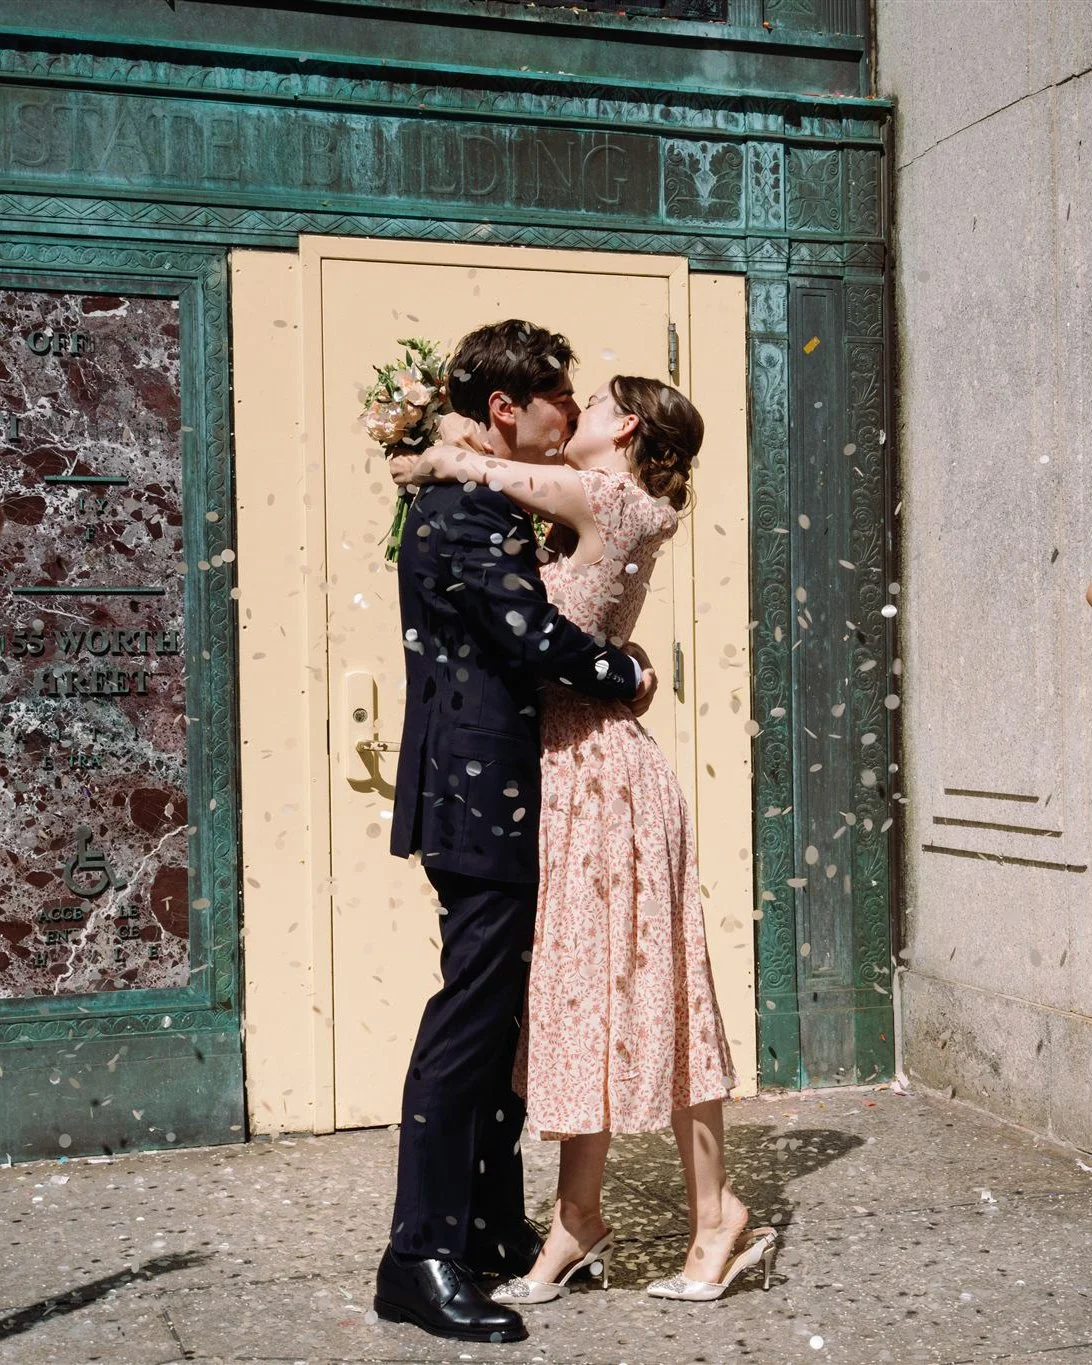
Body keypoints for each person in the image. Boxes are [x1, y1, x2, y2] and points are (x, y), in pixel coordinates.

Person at [399, 375, 778, 1307]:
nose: (573, 416)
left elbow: (480, 472)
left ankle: (714, 1210)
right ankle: (578, 1217)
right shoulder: (600, 508)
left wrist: (435, 445)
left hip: (603, 774)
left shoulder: (610, 496)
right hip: (565, 773)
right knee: (579, 995)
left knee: (654, 987)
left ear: (629, 426)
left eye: (595, 403)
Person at [373, 321, 655, 1345]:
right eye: (559, 404)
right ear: (507, 408)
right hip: (477, 796)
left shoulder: (472, 498)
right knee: (467, 1028)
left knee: (496, 1028)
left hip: (493, 794)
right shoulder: (468, 505)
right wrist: (625, 675)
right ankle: (418, 1258)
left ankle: (487, 1224)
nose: (569, 418)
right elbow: (526, 632)